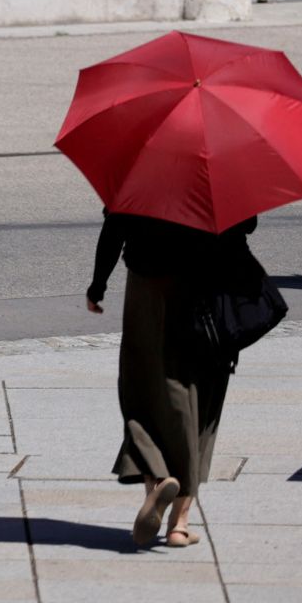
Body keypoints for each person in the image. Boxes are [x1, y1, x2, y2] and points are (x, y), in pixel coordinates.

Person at [86, 209, 257, 548]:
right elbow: (245, 224)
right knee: (201, 399)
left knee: (145, 392)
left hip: (149, 288)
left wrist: (98, 285)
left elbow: (114, 229)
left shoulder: (138, 169)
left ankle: (159, 480)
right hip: (210, 291)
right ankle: (179, 525)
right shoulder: (218, 166)